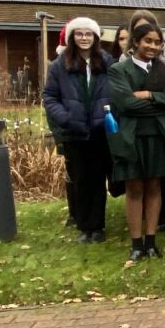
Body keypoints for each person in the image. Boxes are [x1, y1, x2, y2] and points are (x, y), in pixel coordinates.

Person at [107, 22, 165, 260]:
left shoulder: (163, 71)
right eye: (148, 41)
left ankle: (151, 241)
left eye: (157, 42)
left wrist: (151, 95)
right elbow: (126, 104)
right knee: (134, 189)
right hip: (132, 137)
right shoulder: (119, 70)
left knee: (154, 187)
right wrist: (162, 106)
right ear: (136, 43)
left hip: (159, 137)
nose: (152, 46)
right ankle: (136, 243)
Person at [42, 17, 113, 243]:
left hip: (100, 132)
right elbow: (49, 97)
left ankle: (98, 226)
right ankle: (85, 227)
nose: (84, 38)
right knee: (81, 180)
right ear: (72, 37)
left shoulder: (107, 62)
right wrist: (66, 118)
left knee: (98, 179)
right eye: (79, 34)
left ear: (95, 37)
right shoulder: (59, 65)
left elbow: (117, 91)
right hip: (75, 132)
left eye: (88, 34)